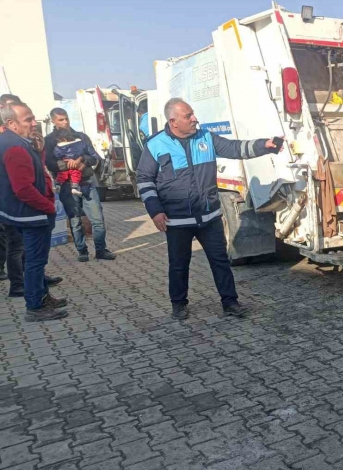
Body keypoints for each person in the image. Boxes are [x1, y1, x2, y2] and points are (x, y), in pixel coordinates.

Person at [136, 98, 282, 320]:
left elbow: (235, 148)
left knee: (220, 261)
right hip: (177, 220)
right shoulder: (155, 144)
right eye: (188, 116)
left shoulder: (205, 137)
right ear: (173, 121)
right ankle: (179, 303)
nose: (195, 119)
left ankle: (230, 302)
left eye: (193, 114)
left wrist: (265, 145)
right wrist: (155, 210)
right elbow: (144, 179)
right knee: (178, 264)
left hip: (209, 216)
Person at [0, 102, 68, 321]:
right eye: (28, 119)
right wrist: (48, 206)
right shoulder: (15, 147)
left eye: (33, 118)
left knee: (32, 260)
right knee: (35, 262)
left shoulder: (16, 142)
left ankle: (41, 296)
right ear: (11, 123)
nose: (34, 123)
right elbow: (23, 188)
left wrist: (39, 150)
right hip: (31, 214)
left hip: (20, 213)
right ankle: (35, 306)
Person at [44, 108, 116, 263]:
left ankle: (101, 250)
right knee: (75, 221)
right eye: (61, 120)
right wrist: (67, 165)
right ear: (53, 121)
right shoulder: (49, 140)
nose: (65, 122)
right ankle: (82, 251)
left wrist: (82, 159)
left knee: (98, 220)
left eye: (66, 119)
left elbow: (94, 157)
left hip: (87, 184)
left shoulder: (81, 137)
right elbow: (49, 163)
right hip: (67, 186)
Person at [52, 128, 88, 196]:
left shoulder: (59, 146)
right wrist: (79, 159)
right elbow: (81, 153)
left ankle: (58, 185)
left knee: (62, 175)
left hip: (64, 164)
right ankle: (74, 188)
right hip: (75, 166)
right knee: (76, 174)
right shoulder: (77, 144)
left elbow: (56, 154)